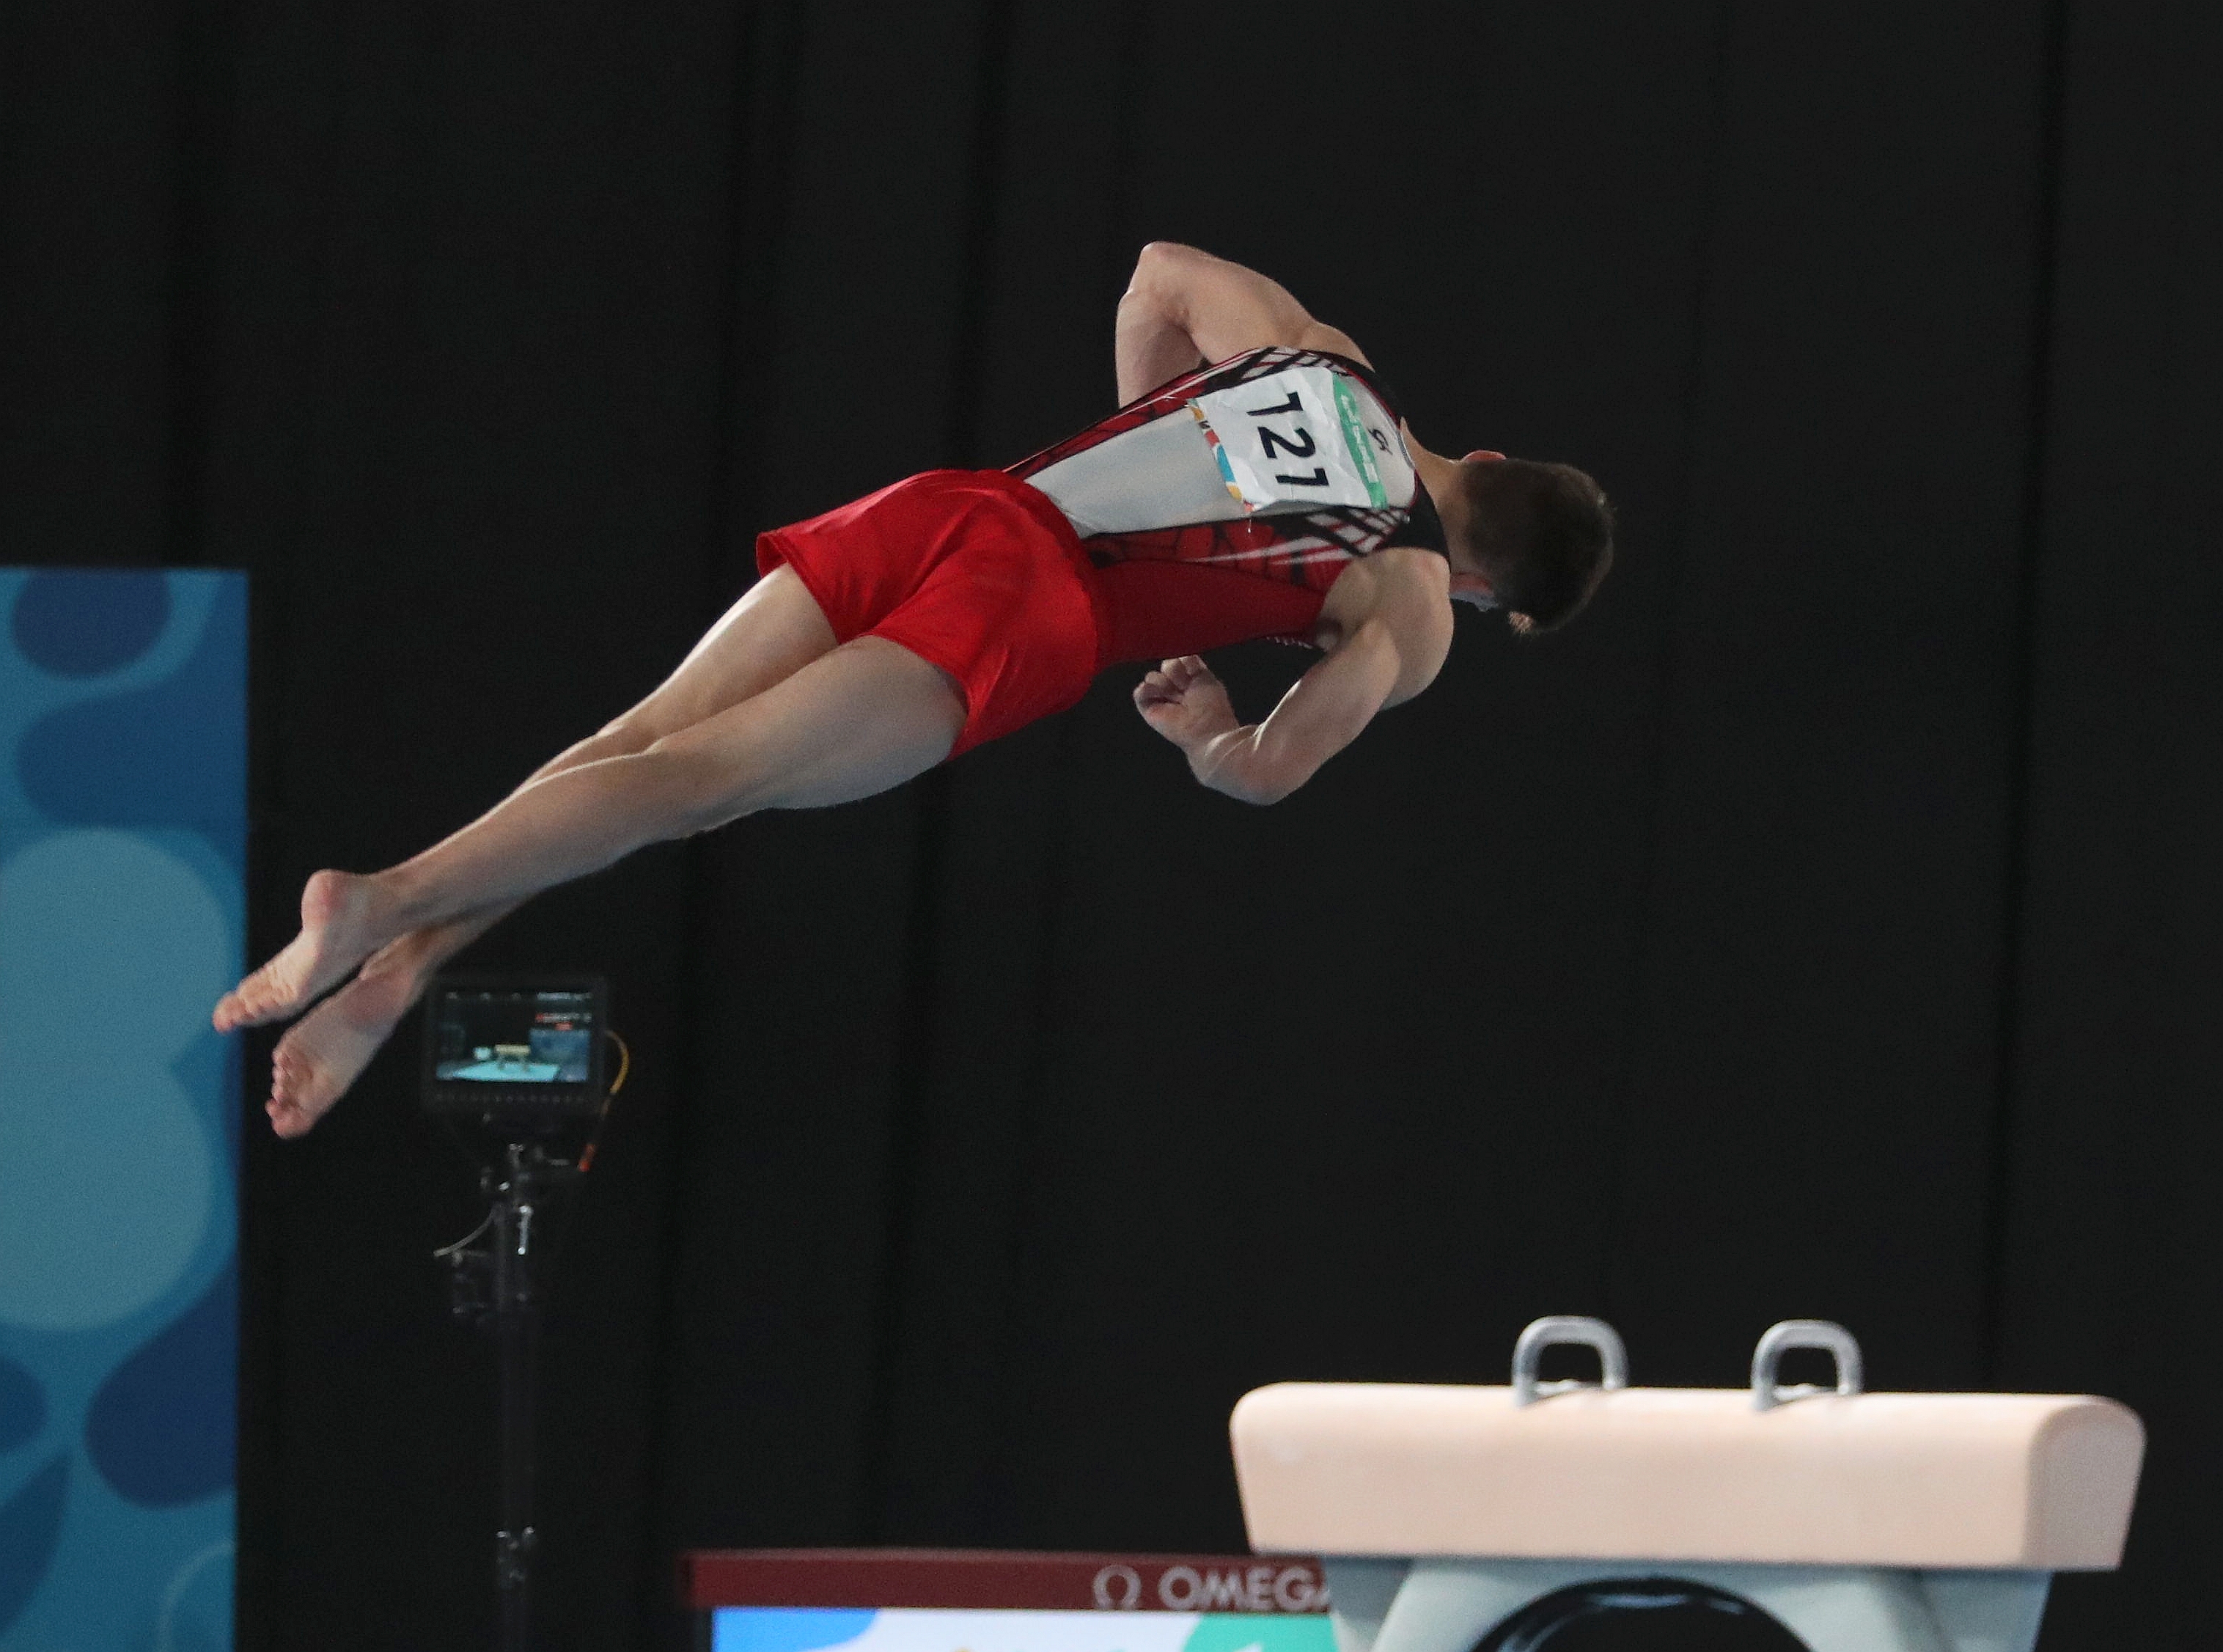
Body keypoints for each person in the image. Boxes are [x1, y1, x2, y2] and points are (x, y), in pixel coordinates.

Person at [214, 241, 1615, 1136]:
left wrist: (1136, 423)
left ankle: (398, 968)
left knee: (641, 750)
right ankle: (383, 902)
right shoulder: (1417, 593)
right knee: (701, 787)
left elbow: (1158, 273)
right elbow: (1267, 770)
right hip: (1027, 611)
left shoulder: (1327, 358)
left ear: (1485, 454)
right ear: (1494, 589)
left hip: (953, 506)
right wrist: (1208, 730)